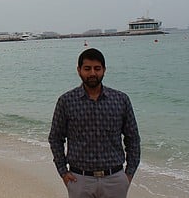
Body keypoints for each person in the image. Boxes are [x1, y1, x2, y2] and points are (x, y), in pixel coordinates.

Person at [48, 48, 140, 198]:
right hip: (80, 179)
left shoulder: (121, 100)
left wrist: (128, 174)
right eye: (87, 68)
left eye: (97, 68)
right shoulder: (66, 101)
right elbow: (55, 138)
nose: (92, 73)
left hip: (115, 179)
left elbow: (133, 138)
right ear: (79, 70)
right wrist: (63, 172)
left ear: (104, 70)